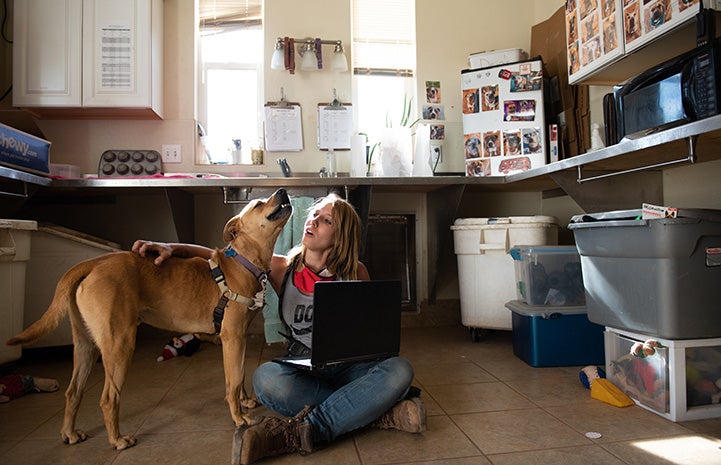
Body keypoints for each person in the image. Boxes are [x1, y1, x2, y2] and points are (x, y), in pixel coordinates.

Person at [132, 193, 426, 464]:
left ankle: (303, 431)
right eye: (314, 215)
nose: (312, 221)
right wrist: (173, 247)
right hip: (305, 370)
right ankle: (374, 411)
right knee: (266, 380)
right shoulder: (280, 267)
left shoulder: (357, 272)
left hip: (349, 368)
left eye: (326, 221)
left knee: (399, 369)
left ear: (341, 236)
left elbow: (368, 330)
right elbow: (219, 256)